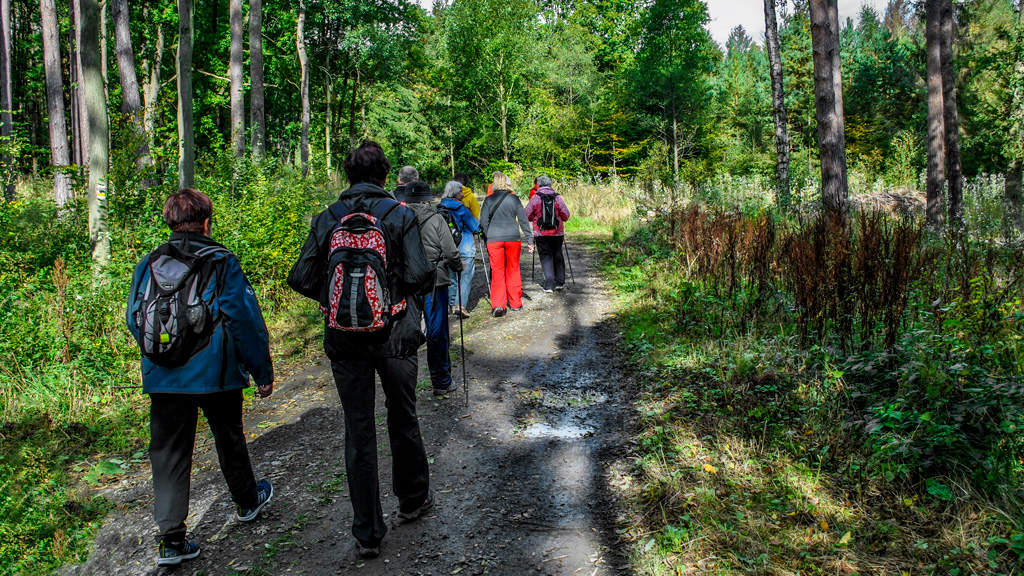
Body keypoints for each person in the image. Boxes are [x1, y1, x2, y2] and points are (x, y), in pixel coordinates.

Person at [287, 141, 435, 559]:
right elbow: (421, 273)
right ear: (385, 176)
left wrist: (335, 300)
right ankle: (412, 500)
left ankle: (367, 532)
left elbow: (300, 276)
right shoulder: (400, 215)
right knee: (402, 417)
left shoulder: (327, 218)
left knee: (358, 428)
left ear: (346, 176)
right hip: (396, 336)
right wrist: (391, 296)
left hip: (344, 339)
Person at [126, 188, 275, 567]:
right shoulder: (221, 260)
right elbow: (244, 318)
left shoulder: (149, 262)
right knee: (229, 437)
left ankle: (171, 540)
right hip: (216, 371)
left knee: (168, 452)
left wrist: (163, 353)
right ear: (207, 221)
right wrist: (261, 371)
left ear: (170, 221)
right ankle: (246, 501)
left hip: (164, 375)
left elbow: (134, 317)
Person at [396, 179, 464, 396]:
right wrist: (458, 266)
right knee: (437, 332)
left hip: (406, 283)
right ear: (427, 198)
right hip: (435, 280)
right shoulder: (436, 219)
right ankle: (441, 382)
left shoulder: (396, 219)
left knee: (406, 333)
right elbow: (450, 250)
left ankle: (405, 388)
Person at [479, 171, 534, 316]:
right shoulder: (514, 199)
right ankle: (515, 303)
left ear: (494, 184)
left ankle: (498, 305)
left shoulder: (488, 200)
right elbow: (523, 220)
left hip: (494, 239)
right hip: (512, 238)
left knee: (497, 272)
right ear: (508, 182)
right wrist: (529, 239)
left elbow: (483, 222)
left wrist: (487, 236)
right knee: (513, 269)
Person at [439, 181, 481, 317]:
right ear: (455, 193)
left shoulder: (439, 207)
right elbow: (475, 226)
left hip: (447, 247)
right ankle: (460, 304)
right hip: (465, 246)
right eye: (460, 192)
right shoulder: (461, 208)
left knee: (451, 278)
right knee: (465, 276)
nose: (462, 195)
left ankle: (452, 305)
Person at [525, 175, 572, 293]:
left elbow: (527, 214)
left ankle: (550, 285)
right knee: (557, 255)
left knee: (546, 257)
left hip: (541, 233)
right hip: (557, 233)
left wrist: (535, 218)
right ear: (550, 184)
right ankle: (560, 282)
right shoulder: (557, 197)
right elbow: (566, 215)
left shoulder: (535, 197)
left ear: (538, 185)